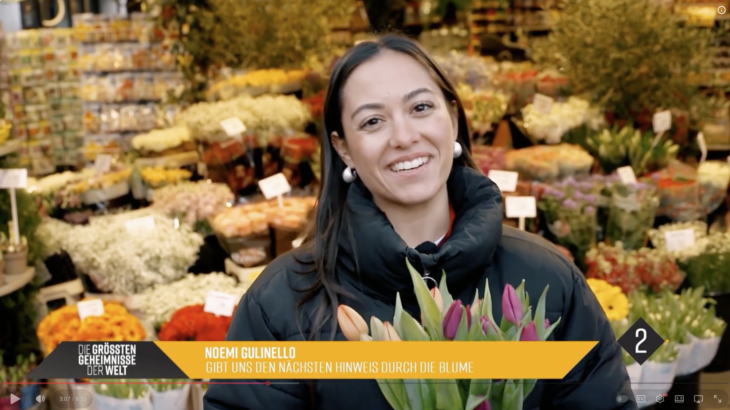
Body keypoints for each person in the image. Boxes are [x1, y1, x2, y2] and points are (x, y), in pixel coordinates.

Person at [204, 34, 636, 410]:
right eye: (372, 121)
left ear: (452, 118)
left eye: (421, 107)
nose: (404, 136)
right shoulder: (282, 303)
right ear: (344, 148)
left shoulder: (547, 279)